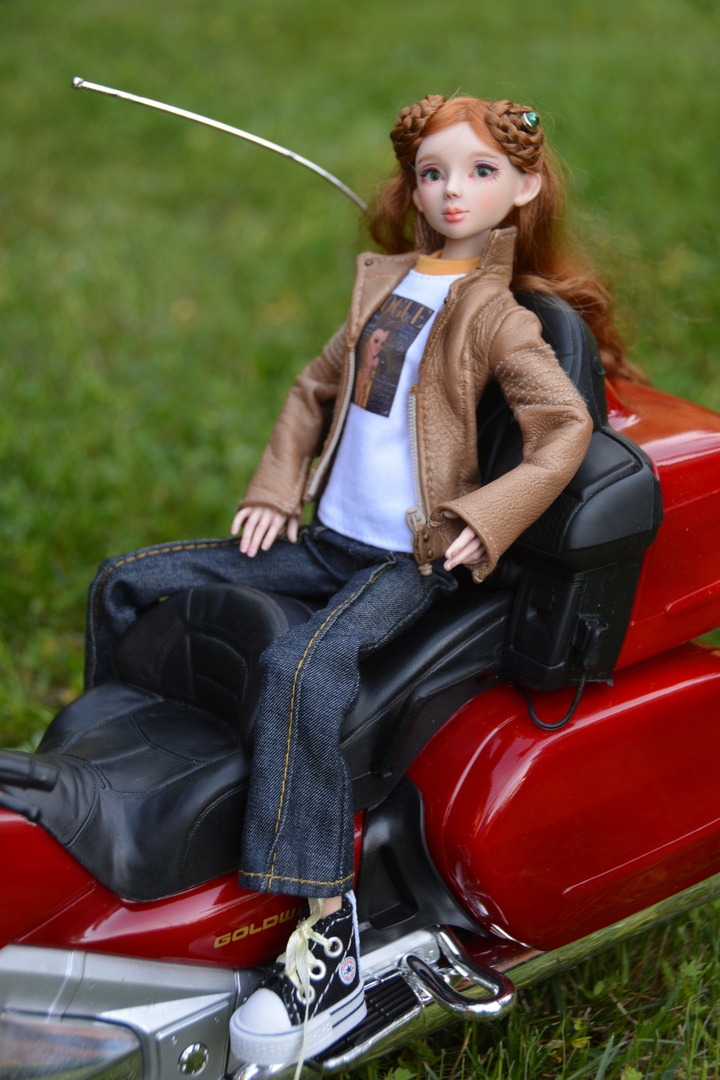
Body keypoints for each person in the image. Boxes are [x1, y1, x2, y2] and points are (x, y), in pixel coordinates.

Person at [84, 94, 631, 1067]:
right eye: (433, 173)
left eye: (479, 173)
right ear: (411, 188)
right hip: (326, 540)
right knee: (125, 583)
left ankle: (326, 929)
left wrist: (485, 518)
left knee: (304, 669)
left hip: (408, 558)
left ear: (523, 188)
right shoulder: (390, 291)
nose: (453, 192)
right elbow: (312, 390)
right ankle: (111, 794)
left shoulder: (497, 318)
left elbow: (563, 429)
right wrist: (274, 489)